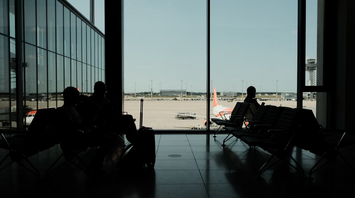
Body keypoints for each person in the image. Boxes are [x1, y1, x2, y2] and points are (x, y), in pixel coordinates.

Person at [55, 86, 116, 177]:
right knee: (108, 140)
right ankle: (95, 165)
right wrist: (86, 124)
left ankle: (95, 164)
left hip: (81, 135)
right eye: (76, 96)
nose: (78, 98)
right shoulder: (64, 111)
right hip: (77, 138)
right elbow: (70, 128)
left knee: (111, 137)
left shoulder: (71, 109)